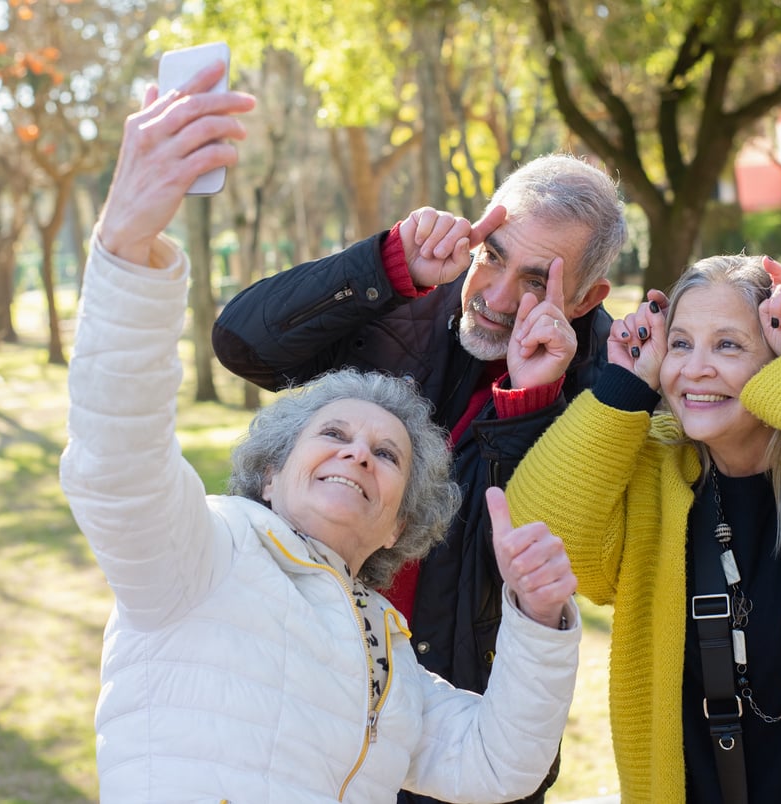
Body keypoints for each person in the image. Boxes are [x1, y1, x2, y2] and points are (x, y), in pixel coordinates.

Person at [59, 60, 582, 803]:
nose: (357, 454)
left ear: (404, 521)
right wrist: (125, 244)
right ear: (271, 472)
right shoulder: (204, 555)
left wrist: (539, 620)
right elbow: (115, 461)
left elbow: (499, 764)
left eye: (386, 454)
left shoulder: (390, 658)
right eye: (333, 433)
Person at [213, 134, 626, 801]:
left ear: (585, 297)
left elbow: (514, 554)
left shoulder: (609, 383)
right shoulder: (408, 294)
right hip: (304, 681)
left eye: (534, 281)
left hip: (453, 727)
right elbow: (241, 344)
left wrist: (528, 403)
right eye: (493, 254)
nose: (493, 294)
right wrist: (386, 262)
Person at [505, 254, 781, 803]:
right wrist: (623, 387)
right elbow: (542, 538)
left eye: (727, 344)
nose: (694, 368)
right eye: (680, 344)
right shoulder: (653, 468)